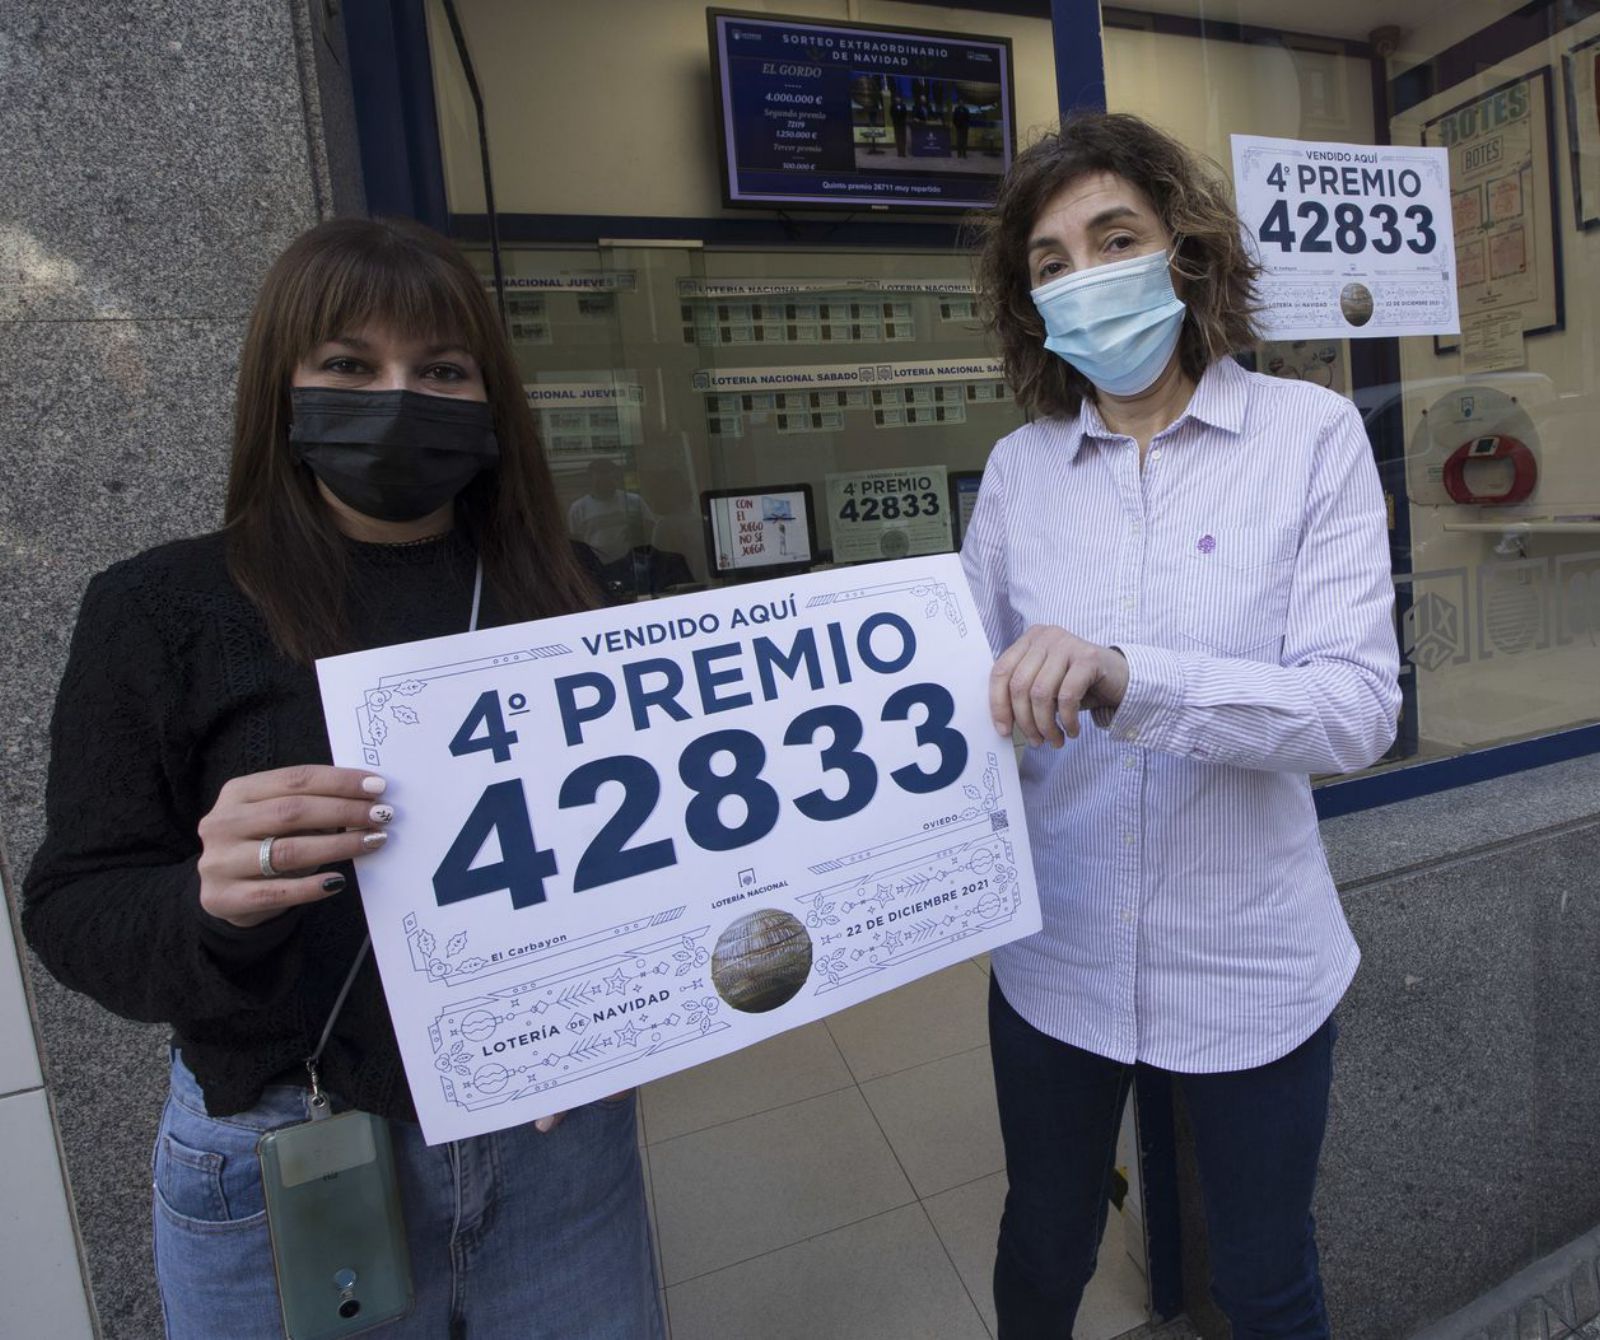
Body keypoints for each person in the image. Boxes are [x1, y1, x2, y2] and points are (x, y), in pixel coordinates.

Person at [22, 218, 665, 1340]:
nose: (399, 395)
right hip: (291, 1155)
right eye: (350, 367)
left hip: (555, 1148)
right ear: (284, 387)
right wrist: (208, 902)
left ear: (490, 400)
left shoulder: (561, 593)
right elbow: (77, 903)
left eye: (442, 370)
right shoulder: (162, 607)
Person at [961, 112, 1400, 1339]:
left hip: (1251, 959)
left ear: (1184, 254)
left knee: (1263, 1278)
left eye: (1115, 237)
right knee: (1041, 1249)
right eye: (1051, 262)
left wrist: (1124, 677)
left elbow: (1357, 709)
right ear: (1029, 301)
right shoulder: (1020, 473)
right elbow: (957, 708)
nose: (1085, 276)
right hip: (1059, 958)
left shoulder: (1308, 439)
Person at [566, 456, 656, 564]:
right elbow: (576, 543)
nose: (605, 482)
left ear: (616, 478)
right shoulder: (578, 508)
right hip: (598, 567)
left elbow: (651, 530)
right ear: (590, 479)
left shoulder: (634, 501)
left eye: (609, 478)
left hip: (633, 564)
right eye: (600, 478)